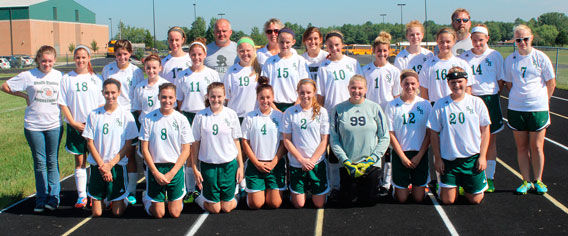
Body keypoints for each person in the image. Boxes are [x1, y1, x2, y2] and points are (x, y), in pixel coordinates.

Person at [1, 45, 63, 212]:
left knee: (52, 161)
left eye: (50, 61)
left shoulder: (60, 76)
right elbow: (5, 86)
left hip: (54, 125)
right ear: (38, 60)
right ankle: (41, 198)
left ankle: (54, 197)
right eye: (43, 61)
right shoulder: (28, 76)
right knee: (40, 163)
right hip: (33, 125)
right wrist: (23, 95)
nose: (47, 64)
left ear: (55, 60)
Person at [503, 24, 556, 195]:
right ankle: (525, 180)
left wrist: (542, 100)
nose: (522, 42)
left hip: (538, 108)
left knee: (537, 147)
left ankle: (538, 180)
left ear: (531, 38)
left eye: (525, 39)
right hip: (517, 108)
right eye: (518, 40)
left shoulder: (541, 57)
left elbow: (551, 83)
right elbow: (509, 84)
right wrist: (521, 98)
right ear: (515, 41)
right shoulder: (510, 60)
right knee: (521, 147)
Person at [427, 67, 490, 205]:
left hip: (471, 159)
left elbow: (485, 131)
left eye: (460, 81)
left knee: (476, 200)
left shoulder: (476, 102)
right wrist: (438, 158)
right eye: (453, 82)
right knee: (448, 200)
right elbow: (433, 133)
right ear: (448, 83)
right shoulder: (440, 104)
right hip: (449, 160)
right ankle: (446, 186)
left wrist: (482, 156)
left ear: (466, 81)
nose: (457, 85)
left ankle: (463, 186)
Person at [330, 75, 389, 206]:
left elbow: (384, 137)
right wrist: (345, 160)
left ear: (366, 89)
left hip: (370, 165)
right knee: (348, 202)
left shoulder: (375, 108)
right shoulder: (338, 109)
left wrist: (372, 159)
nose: (356, 91)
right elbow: (334, 139)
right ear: (348, 89)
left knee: (368, 202)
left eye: (360, 88)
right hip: (348, 165)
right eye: (353, 88)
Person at [459, 24, 505, 192]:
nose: (478, 43)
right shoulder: (464, 58)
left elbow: (500, 81)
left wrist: (491, 93)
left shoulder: (495, 56)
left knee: (490, 141)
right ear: (471, 40)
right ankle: (468, 177)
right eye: (475, 40)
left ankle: (489, 177)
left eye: (481, 40)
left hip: (490, 99)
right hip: (471, 99)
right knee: (470, 140)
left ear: (487, 39)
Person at [316, 30, 362, 197]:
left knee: (352, 149)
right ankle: (335, 186)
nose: (334, 48)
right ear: (326, 47)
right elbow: (320, 94)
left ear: (342, 45)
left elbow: (361, 87)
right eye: (330, 45)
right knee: (334, 151)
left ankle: (354, 183)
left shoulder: (353, 63)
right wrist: (319, 114)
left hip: (351, 112)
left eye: (337, 45)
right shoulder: (324, 66)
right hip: (332, 113)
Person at [82, 79, 138, 217]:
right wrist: (103, 166)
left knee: (117, 213)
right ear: (102, 93)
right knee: (96, 213)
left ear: (119, 93)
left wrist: (110, 165)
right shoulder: (94, 114)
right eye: (107, 93)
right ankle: (106, 199)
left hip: (117, 165)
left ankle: (121, 199)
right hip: (98, 166)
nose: (110, 96)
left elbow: (128, 145)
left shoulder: (126, 116)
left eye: (113, 92)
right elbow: (90, 143)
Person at [58, 45, 104, 209]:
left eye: (84, 57)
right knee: (79, 161)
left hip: (93, 126)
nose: (80, 60)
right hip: (75, 125)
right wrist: (73, 122)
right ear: (74, 58)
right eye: (78, 57)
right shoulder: (67, 78)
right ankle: (81, 196)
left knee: (95, 161)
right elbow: (63, 103)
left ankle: (93, 193)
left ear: (89, 58)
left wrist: (94, 123)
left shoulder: (97, 79)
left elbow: (101, 104)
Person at [176, 37, 221, 203]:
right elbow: (180, 101)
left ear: (205, 54)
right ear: (189, 55)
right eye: (193, 54)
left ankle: (207, 186)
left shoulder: (212, 74)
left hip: (206, 115)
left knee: (207, 150)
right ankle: (190, 189)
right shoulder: (183, 75)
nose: (196, 57)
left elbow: (217, 97)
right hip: (188, 116)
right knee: (189, 154)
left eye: (199, 54)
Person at [140, 83, 193, 218]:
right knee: (158, 214)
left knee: (174, 213)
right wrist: (155, 172)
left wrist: (172, 173)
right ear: (158, 97)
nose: (167, 101)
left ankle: (173, 198)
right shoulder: (148, 119)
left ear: (175, 98)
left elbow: (186, 150)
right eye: (164, 97)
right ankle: (146, 198)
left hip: (174, 168)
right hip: (156, 168)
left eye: (170, 97)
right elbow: (144, 149)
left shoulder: (181, 119)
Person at [102, 39, 144, 205]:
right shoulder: (108, 69)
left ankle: (131, 191)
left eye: (125, 54)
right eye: (119, 54)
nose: (122, 57)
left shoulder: (136, 71)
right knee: (111, 152)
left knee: (130, 154)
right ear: (115, 54)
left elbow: (138, 93)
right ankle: (111, 189)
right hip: (112, 114)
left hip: (130, 115)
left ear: (130, 53)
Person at [192, 82, 244, 214]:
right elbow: (195, 144)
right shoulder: (200, 116)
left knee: (226, 208)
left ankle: (236, 195)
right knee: (215, 209)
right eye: (213, 96)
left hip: (228, 165)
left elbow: (236, 141)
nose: (216, 99)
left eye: (219, 96)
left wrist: (241, 166)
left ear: (225, 97)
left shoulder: (231, 114)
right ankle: (198, 198)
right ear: (208, 97)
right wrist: (194, 167)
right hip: (209, 166)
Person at [384, 70, 431, 203]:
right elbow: (390, 133)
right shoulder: (393, 105)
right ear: (401, 84)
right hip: (401, 154)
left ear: (418, 84)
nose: (409, 87)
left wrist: (420, 155)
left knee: (418, 198)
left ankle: (421, 187)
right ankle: (395, 189)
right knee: (402, 199)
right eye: (406, 84)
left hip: (419, 153)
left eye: (413, 84)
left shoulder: (425, 104)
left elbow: (429, 133)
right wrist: (403, 157)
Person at [282, 79, 329, 208]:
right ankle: (296, 191)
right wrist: (301, 160)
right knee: (299, 204)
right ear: (297, 92)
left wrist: (312, 161)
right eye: (302, 92)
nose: (305, 95)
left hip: (316, 162)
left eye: (308, 92)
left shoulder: (322, 112)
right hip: (297, 163)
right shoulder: (290, 112)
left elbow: (324, 140)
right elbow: (286, 140)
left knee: (319, 205)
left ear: (314, 92)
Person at [241, 76, 286, 209]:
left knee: (274, 204)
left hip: (274, 164)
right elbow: (245, 142)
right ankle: (249, 192)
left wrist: (273, 163)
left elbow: (284, 143)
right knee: (256, 204)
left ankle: (266, 190)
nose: (265, 101)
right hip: (256, 164)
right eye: (262, 98)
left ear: (272, 98)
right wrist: (256, 163)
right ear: (257, 98)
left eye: (268, 97)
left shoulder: (280, 116)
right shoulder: (250, 117)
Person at [261, 28, 310, 112]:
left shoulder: (300, 61)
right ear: (277, 41)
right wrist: (274, 108)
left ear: (293, 42)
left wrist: (296, 105)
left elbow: (306, 85)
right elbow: (263, 87)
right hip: (274, 106)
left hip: (296, 105)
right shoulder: (269, 62)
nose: (284, 45)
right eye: (281, 42)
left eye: (287, 42)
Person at [419, 28, 474, 104]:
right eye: (441, 42)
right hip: (435, 105)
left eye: (448, 42)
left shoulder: (462, 64)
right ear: (437, 42)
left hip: (456, 105)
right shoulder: (428, 64)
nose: (445, 45)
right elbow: (424, 89)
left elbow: (467, 89)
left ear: (454, 42)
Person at [224, 37, 261, 120]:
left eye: (248, 50)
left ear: (254, 51)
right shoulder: (231, 71)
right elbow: (226, 98)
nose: (245, 53)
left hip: (255, 117)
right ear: (237, 52)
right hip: (235, 117)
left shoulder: (259, 70)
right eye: (242, 51)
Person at [132, 54, 170, 127]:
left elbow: (171, 107)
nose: (151, 71)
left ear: (160, 68)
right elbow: (139, 108)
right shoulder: (139, 87)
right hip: (144, 125)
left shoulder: (166, 85)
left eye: (154, 68)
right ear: (144, 68)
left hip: (161, 124)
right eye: (148, 68)